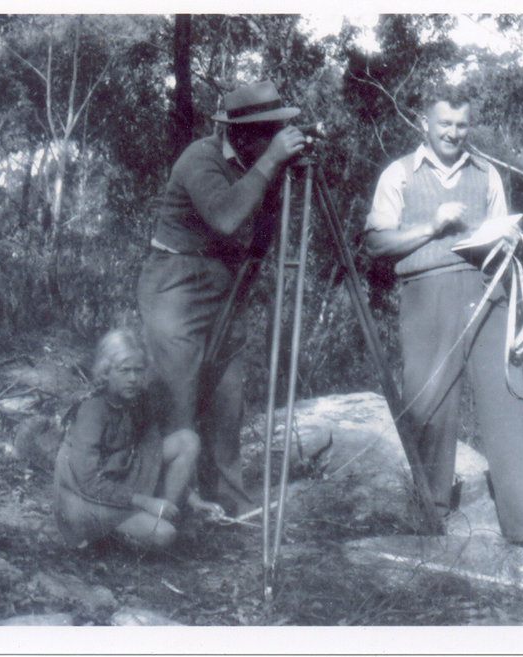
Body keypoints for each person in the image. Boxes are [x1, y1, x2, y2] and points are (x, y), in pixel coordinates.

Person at [364, 86, 523, 558]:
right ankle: (428, 515)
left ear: (470, 125)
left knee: (508, 400)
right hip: (426, 294)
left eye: (461, 125)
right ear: (424, 122)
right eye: (444, 123)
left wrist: (508, 242)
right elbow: (375, 243)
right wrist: (433, 227)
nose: (453, 133)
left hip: (488, 291)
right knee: (429, 404)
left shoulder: (487, 172)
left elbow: (501, 231)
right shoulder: (399, 175)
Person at [136, 81, 305, 516]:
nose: (273, 140)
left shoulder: (256, 160)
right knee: (178, 394)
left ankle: (228, 499)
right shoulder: (201, 159)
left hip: (225, 283)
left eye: (277, 132)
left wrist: (279, 172)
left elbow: (260, 234)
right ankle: (174, 501)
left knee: (228, 398)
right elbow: (228, 217)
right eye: (266, 133)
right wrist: (271, 163)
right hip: (177, 282)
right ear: (241, 133)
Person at [53, 329, 209, 549]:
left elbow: (150, 456)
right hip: (85, 499)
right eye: (124, 371)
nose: (133, 379)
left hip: (122, 480)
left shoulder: (138, 400)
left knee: (187, 440)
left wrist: (192, 499)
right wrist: (146, 502)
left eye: (139, 370)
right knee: (165, 535)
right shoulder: (92, 410)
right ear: (106, 371)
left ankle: (163, 515)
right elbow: (87, 482)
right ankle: (122, 534)